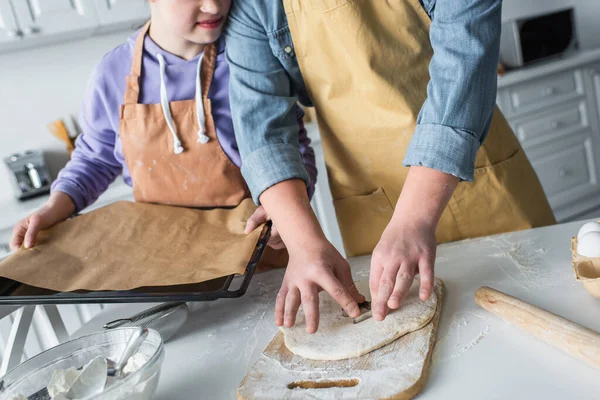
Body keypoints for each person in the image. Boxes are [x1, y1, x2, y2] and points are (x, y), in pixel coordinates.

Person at [225, 0, 556, 333]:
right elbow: (262, 128)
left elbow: (465, 61)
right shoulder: (253, 7)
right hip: (371, 208)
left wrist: (414, 217)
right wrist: (303, 244)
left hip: (479, 185)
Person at [9, 0, 317, 269]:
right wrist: (53, 208)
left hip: (261, 257)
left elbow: (290, 145)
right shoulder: (114, 72)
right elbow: (95, 160)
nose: (213, 6)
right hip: (167, 264)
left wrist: (287, 213)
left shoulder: (251, 58)